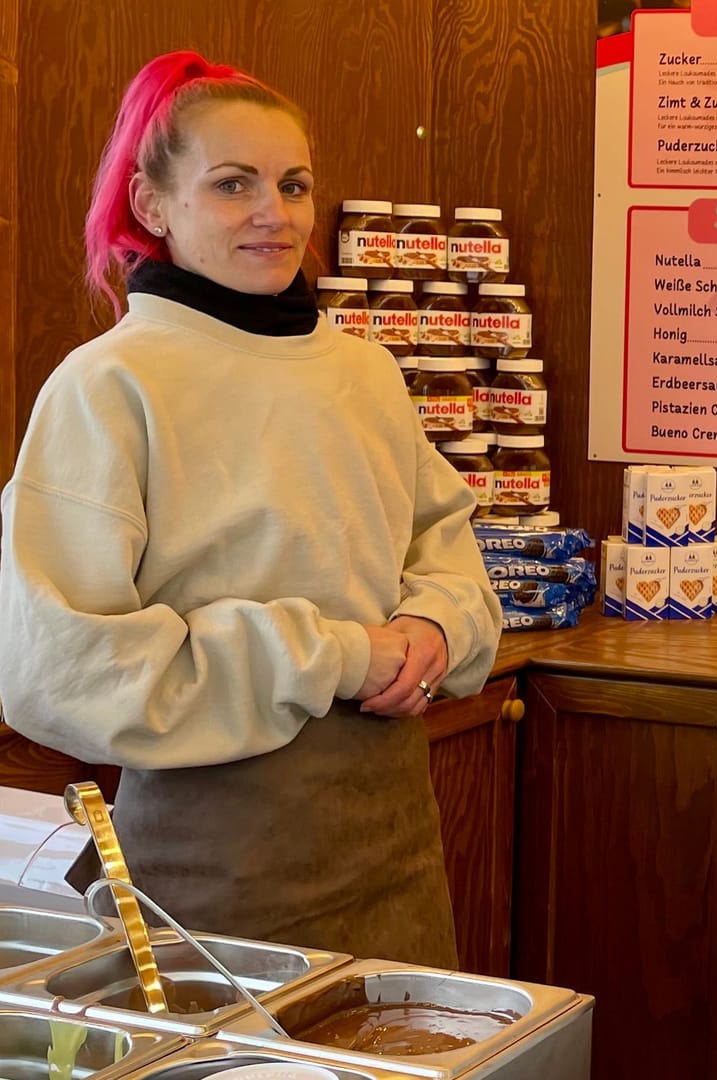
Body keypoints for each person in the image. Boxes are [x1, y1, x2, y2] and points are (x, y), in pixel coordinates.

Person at [0, 52, 502, 967]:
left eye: (293, 183)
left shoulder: (364, 370)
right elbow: (59, 668)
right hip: (210, 875)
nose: (275, 213)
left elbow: (446, 542)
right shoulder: (110, 385)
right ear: (153, 208)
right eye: (233, 185)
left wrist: (437, 624)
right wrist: (340, 656)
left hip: (395, 853)